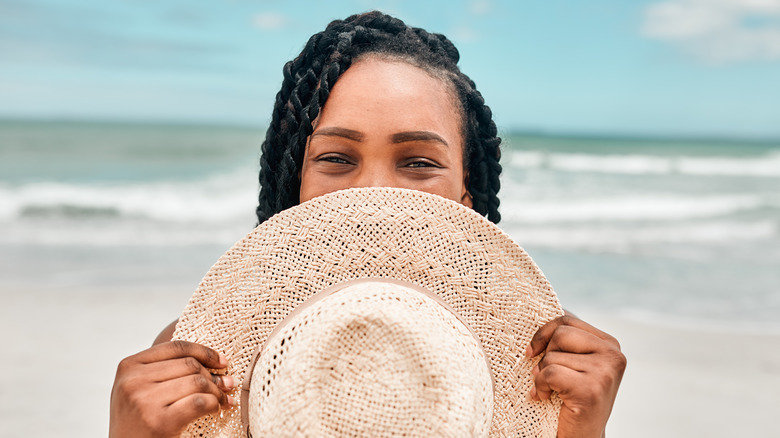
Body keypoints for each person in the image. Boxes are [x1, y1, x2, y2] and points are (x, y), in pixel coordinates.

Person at [110, 11, 626, 438]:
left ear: (467, 192)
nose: (374, 189)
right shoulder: (198, 352)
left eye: (419, 162)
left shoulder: (540, 358)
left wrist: (582, 430)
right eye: (336, 157)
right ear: (295, 181)